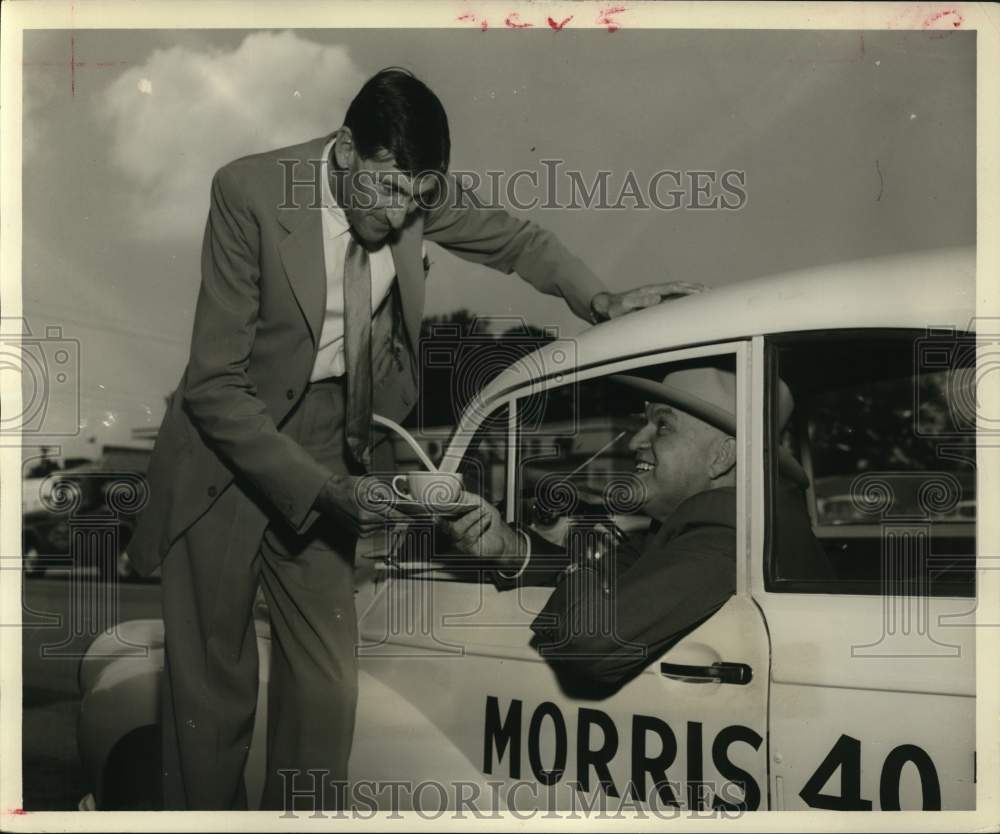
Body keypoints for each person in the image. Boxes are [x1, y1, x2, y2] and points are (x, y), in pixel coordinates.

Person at [127, 67, 700, 811]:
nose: (402, 217)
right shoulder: (250, 195)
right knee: (213, 703)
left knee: (328, 691)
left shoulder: (415, 192)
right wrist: (325, 491)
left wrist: (599, 299)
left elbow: (517, 242)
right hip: (229, 450)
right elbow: (212, 386)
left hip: (333, 436)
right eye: (389, 190)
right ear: (343, 152)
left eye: (420, 199)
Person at [443, 360, 831, 690]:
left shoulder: (725, 537)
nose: (635, 442)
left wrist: (584, 561)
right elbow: (615, 580)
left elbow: (587, 641)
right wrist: (512, 548)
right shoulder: (695, 527)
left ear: (722, 456)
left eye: (662, 427)